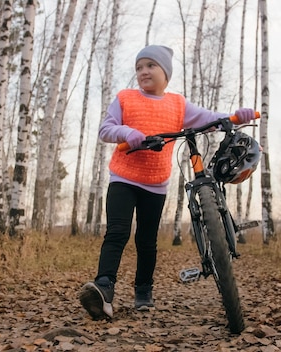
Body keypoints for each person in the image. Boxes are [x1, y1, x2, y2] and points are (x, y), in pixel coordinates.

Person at [79, 45, 256, 320]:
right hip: (123, 178)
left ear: (166, 73)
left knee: (147, 240)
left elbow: (209, 119)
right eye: (139, 67)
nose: (143, 71)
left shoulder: (177, 104)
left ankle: (144, 291)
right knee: (117, 232)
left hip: (155, 184)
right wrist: (126, 131)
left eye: (150, 65)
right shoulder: (125, 98)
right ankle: (103, 290)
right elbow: (106, 129)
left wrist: (234, 116)